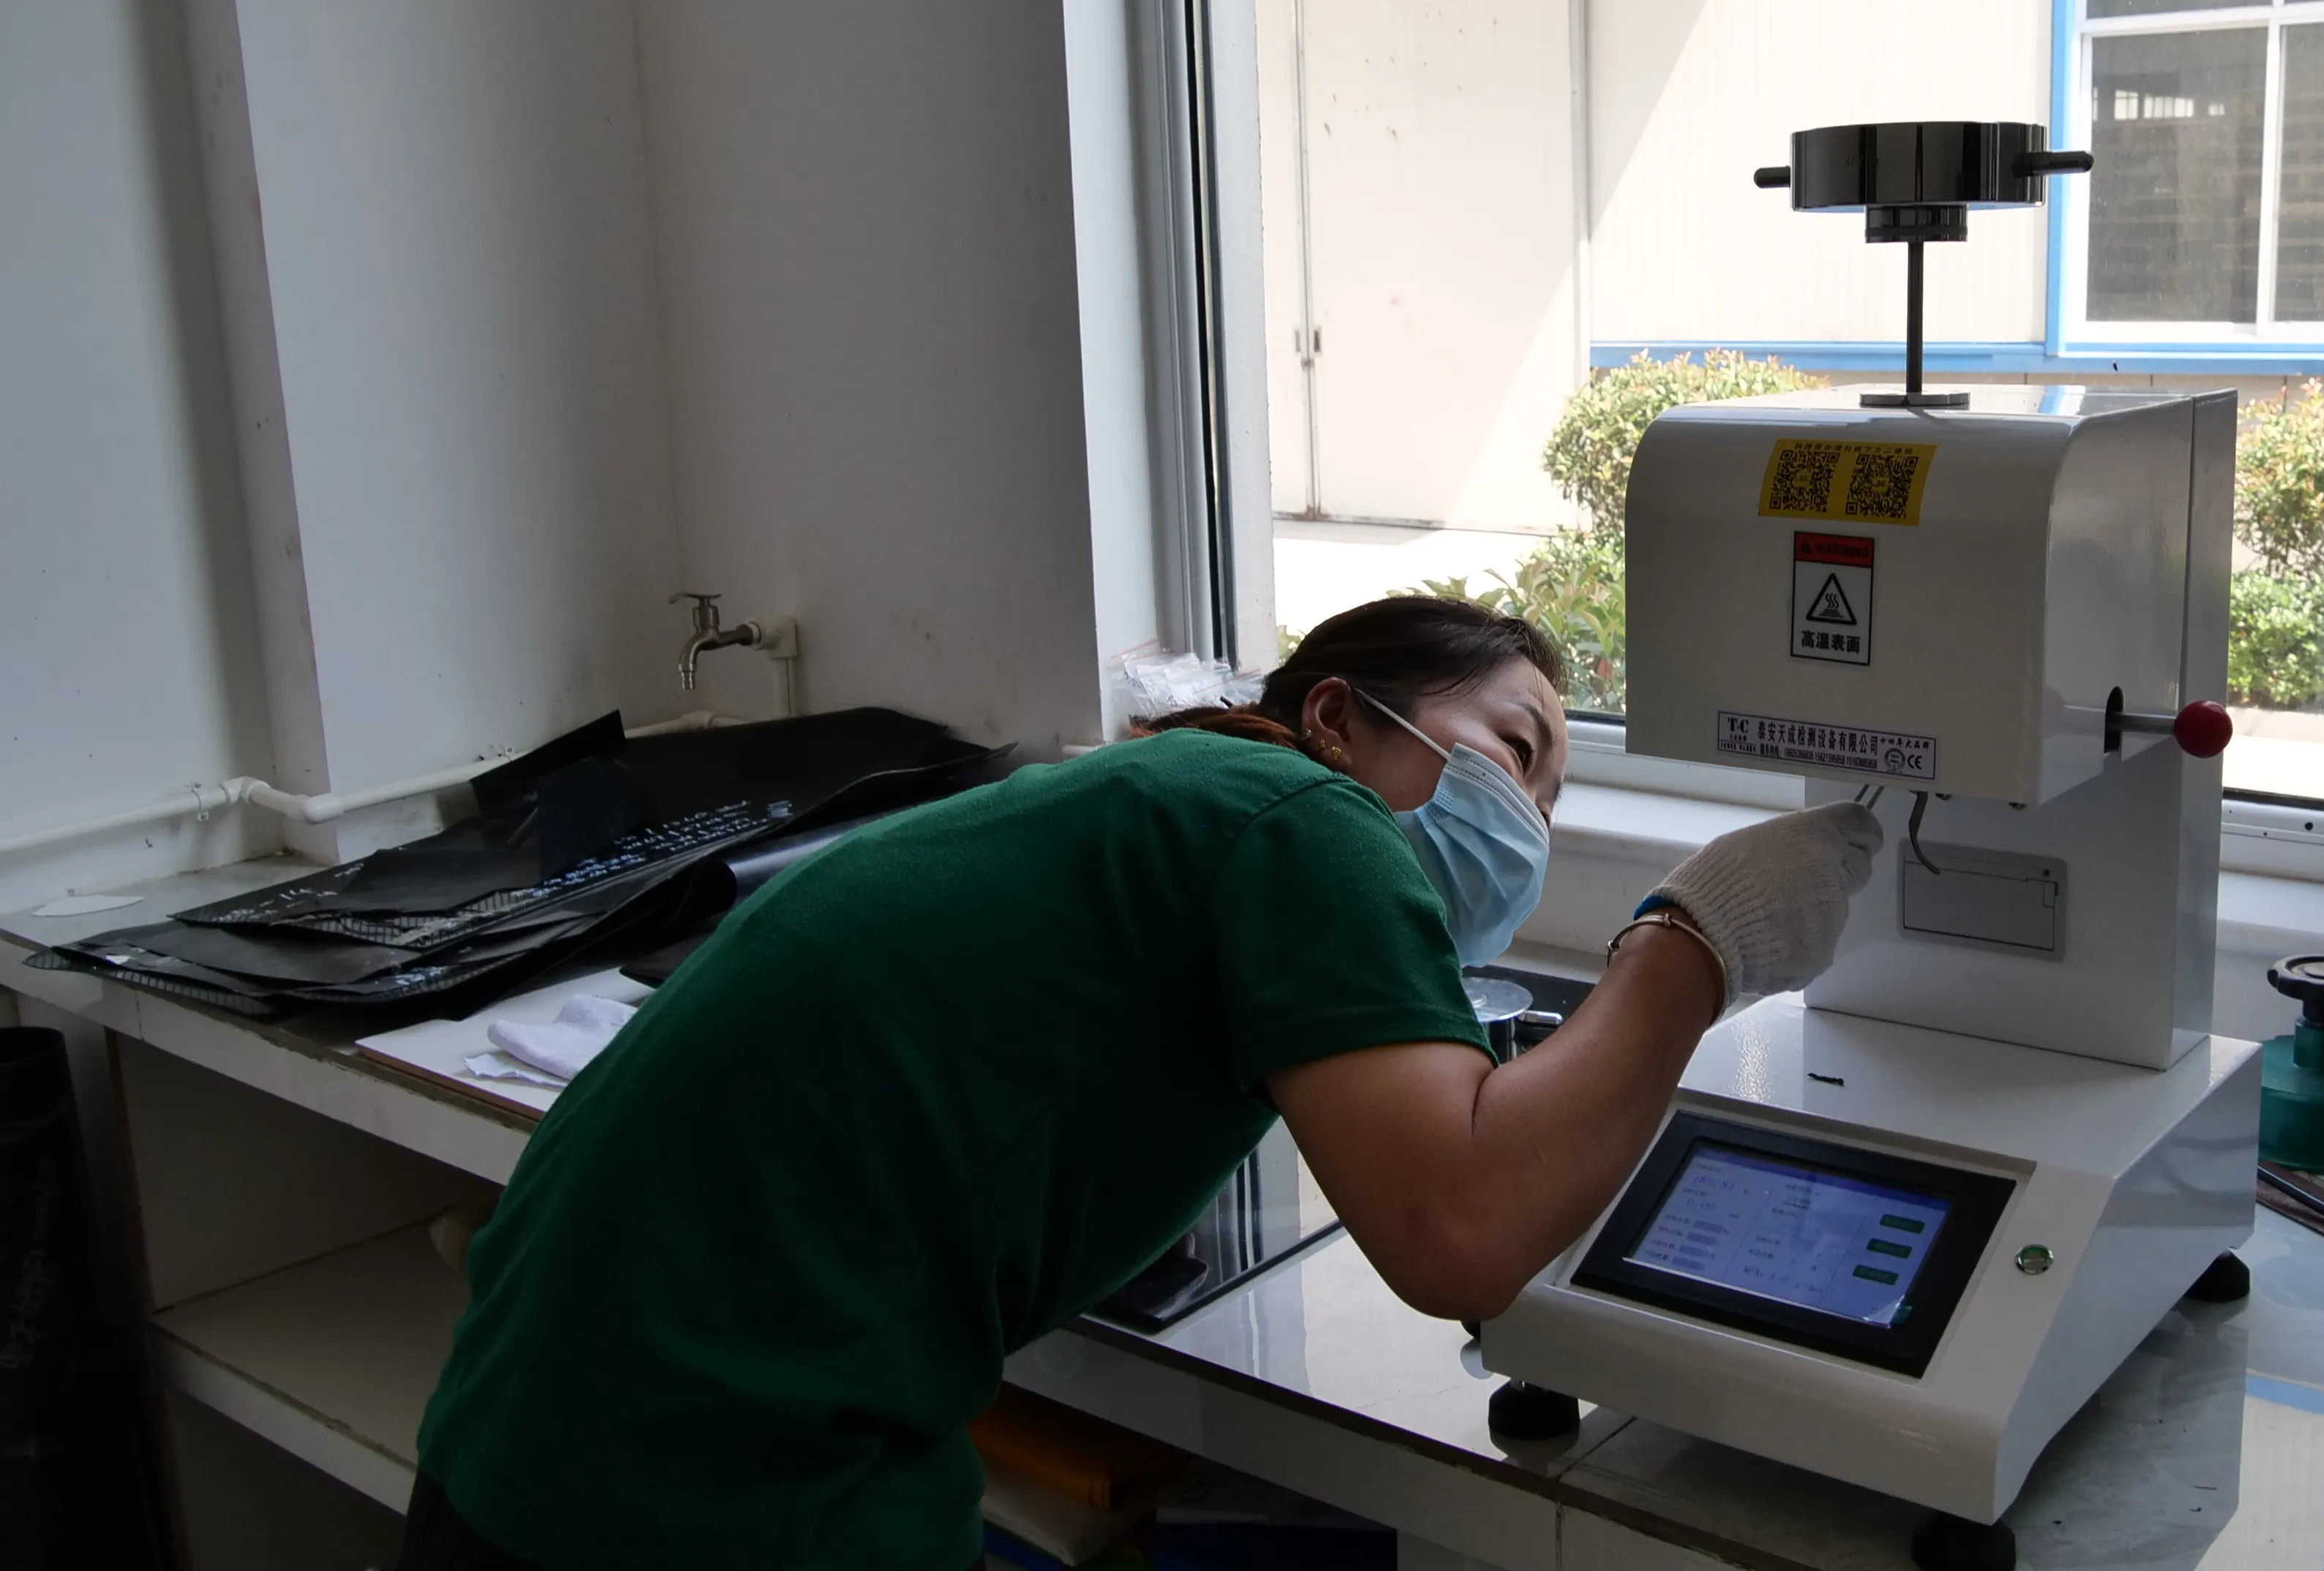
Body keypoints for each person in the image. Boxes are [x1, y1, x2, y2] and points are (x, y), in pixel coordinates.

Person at [401, 596, 1883, 1570]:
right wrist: (1695, 942)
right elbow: (1461, 1233)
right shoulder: (1301, 815)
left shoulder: (1151, 795)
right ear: (1335, 718)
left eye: (1550, 801)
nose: (1527, 819)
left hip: (537, 1422)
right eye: (1513, 750)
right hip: (701, 1472)